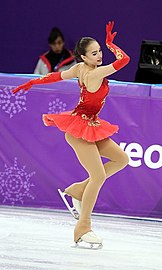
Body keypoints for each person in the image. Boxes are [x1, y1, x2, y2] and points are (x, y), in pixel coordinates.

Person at [12, 21, 130, 248]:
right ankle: (83, 228)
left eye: (100, 51)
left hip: (92, 125)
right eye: (94, 53)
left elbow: (55, 77)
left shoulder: (79, 68)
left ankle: (77, 190)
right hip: (80, 131)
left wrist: (32, 82)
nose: (99, 56)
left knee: (121, 159)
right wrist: (111, 44)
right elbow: (124, 60)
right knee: (98, 177)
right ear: (84, 57)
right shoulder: (95, 74)